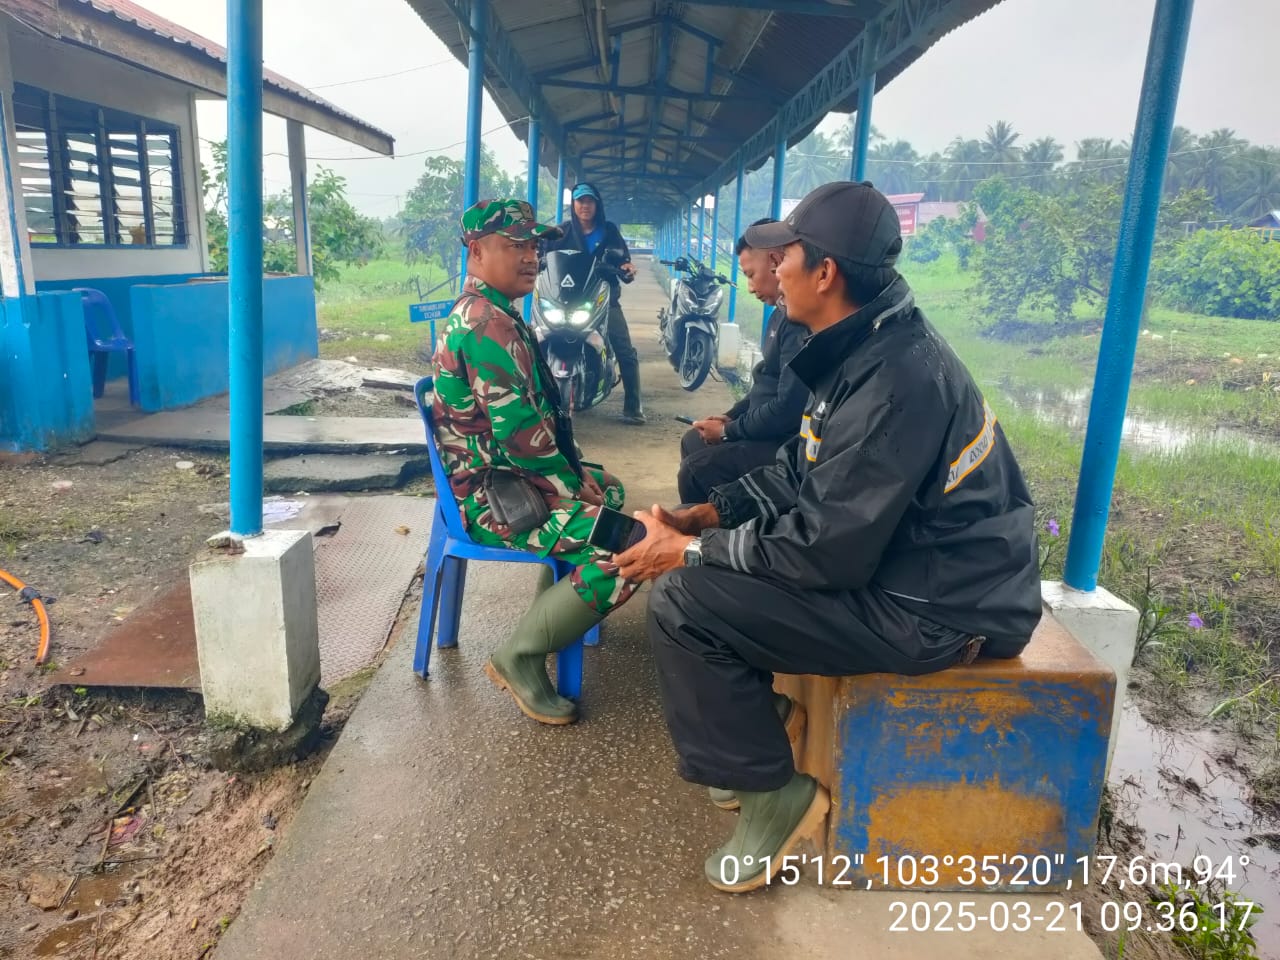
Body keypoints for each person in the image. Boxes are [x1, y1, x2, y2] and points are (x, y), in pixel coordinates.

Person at [614, 182, 1043, 893]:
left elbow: (823, 551)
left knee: (687, 602)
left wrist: (687, 552)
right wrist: (706, 517)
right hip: (908, 574)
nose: (772, 269)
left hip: (939, 610)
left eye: (785, 257)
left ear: (825, 273)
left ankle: (773, 797)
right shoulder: (861, 345)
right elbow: (797, 468)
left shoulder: (897, 378)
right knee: (703, 565)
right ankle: (747, 741)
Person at [431, 198, 640, 726]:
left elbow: (534, 429)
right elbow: (522, 440)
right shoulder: (487, 328)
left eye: (533, 246)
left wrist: (581, 479)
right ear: (477, 251)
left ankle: (557, 615)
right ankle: (519, 655)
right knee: (634, 546)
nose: (530, 257)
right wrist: (572, 486)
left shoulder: (497, 313)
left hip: (510, 479)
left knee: (609, 488)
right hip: (495, 499)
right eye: (514, 245)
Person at [678, 218, 809, 504]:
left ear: (776, 262)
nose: (749, 287)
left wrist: (728, 432)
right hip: (763, 428)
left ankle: (709, 535)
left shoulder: (799, 323)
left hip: (784, 441)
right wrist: (732, 415)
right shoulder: (780, 314)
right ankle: (715, 517)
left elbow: (789, 408)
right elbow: (765, 382)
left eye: (751, 274)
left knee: (695, 471)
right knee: (693, 440)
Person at [542, 182, 646, 425]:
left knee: (625, 350)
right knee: (534, 340)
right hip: (564, 299)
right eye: (580, 201)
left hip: (602, 299)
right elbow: (543, 254)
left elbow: (624, 261)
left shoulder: (609, 232)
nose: (584, 206)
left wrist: (626, 268)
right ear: (573, 205)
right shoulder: (561, 232)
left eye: (589, 201)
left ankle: (634, 406)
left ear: (597, 204)